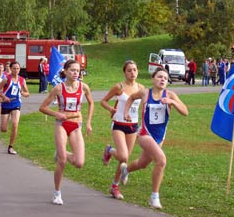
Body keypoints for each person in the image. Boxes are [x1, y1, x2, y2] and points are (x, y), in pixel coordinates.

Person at [121, 67, 188, 209]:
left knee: (143, 163)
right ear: (153, 79)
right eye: (159, 77)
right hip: (145, 134)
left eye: (165, 78)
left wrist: (173, 103)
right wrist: (126, 112)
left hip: (159, 137)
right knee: (161, 161)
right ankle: (154, 197)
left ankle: (126, 170)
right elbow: (131, 97)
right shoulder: (146, 93)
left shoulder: (170, 95)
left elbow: (185, 112)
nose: (162, 79)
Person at [39, 59, 94, 205]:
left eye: (78, 70)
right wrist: (57, 114)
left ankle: (60, 152)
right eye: (73, 70)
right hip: (61, 124)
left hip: (76, 124)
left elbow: (91, 103)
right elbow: (43, 107)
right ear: (66, 71)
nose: (76, 73)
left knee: (79, 162)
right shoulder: (58, 88)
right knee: (62, 161)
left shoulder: (84, 87)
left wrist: (88, 122)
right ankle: (57, 193)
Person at [100, 60, 144, 200]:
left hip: (133, 126)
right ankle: (109, 151)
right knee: (123, 156)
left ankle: (114, 186)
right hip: (118, 124)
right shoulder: (119, 87)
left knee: (124, 160)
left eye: (134, 70)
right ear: (124, 72)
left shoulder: (141, 88)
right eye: (129, 70)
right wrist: (111, 109)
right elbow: (103, 101)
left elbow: (142, 107)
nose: (132, 73)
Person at [0, 62, 30, 154]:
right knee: (4, 129)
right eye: (14, 68)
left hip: (16, 104)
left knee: (15, 124)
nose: (16, 70)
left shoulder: (22, 80)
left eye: (18, 68)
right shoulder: (6, 79)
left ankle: (10, 147)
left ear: (19, 69)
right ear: (10, 69)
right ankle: (5, 123)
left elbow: (27, 93)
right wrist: (4, 97)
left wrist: (23, 93)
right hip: (5, 105)